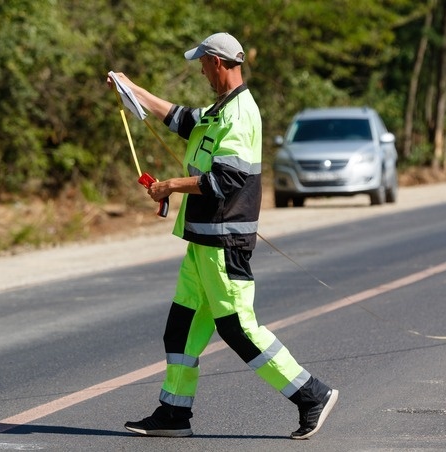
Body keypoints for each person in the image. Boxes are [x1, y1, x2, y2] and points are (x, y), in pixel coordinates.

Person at [108, 32, 338, 440]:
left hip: (224, 243)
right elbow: (179, 118)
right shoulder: (220, 109)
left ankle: (311, 395)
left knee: (238, 329)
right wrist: (133, 89)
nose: (200, 70)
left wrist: (169, 187)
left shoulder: (240, 114)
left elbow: (226, 180)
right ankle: (174, 414)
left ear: (218, 62)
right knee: (179, 329)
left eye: (202, 63)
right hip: (202, 244)